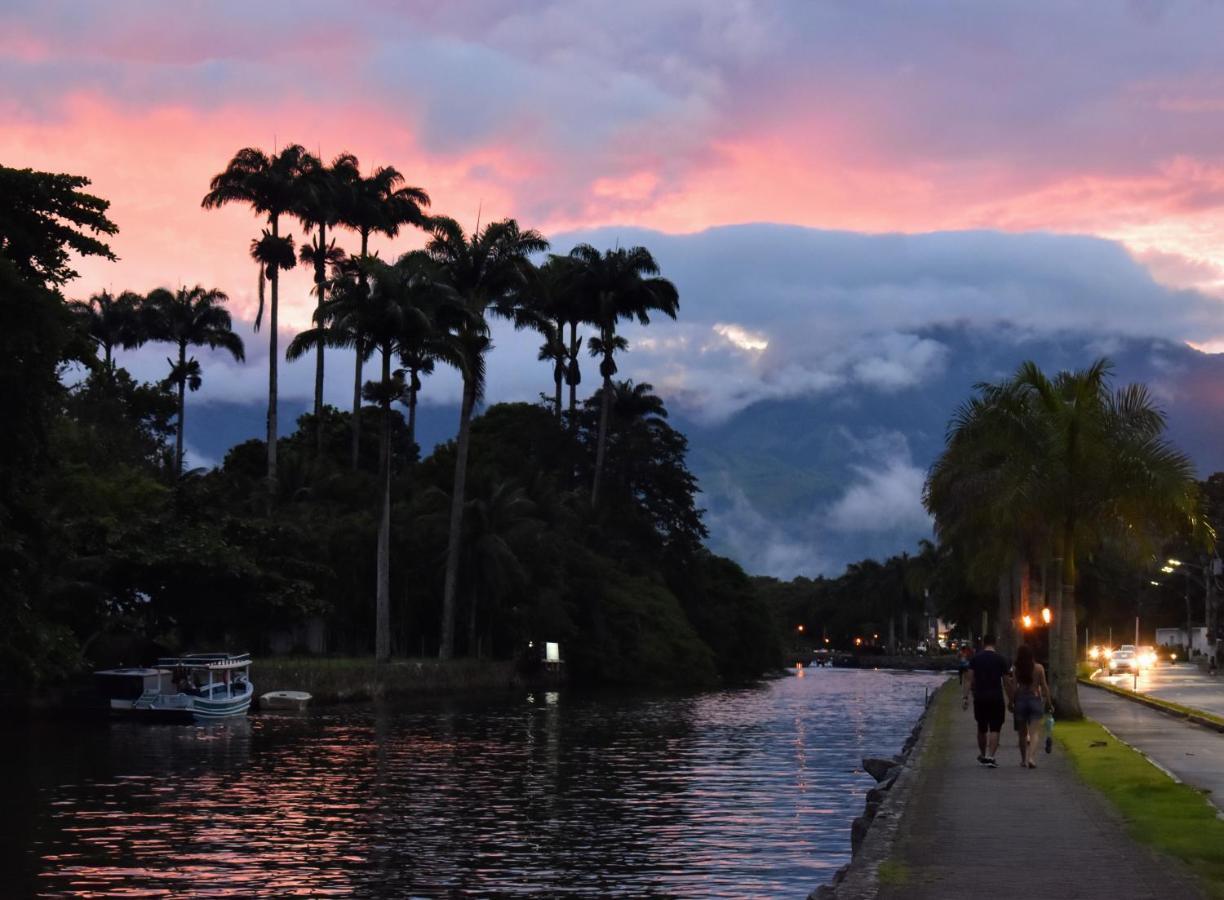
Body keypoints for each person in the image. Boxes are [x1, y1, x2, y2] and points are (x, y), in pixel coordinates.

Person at [963, 633, 1010, 767]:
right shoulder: (1001, 659)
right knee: (995, 728)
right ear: (995, 643)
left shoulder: (976, 659)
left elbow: (968, 679)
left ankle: (983, 754)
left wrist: (965, 697)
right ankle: (991, 756)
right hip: (996, 697)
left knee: (982, 727)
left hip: (980, 697)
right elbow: (1006, 682)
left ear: (984, 643)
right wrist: (1012, 699)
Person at [1008, 644, 1051, 768]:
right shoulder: (1039, 668)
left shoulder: (1017, 669)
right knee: (1034, 733)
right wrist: (1049, 702)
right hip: (1034, 699)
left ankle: (1023, 760)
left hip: (1021, 700)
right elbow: (1044, 686)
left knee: (1022, 734)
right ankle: (1031, 758)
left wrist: (1011, 702)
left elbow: (1014, 687)